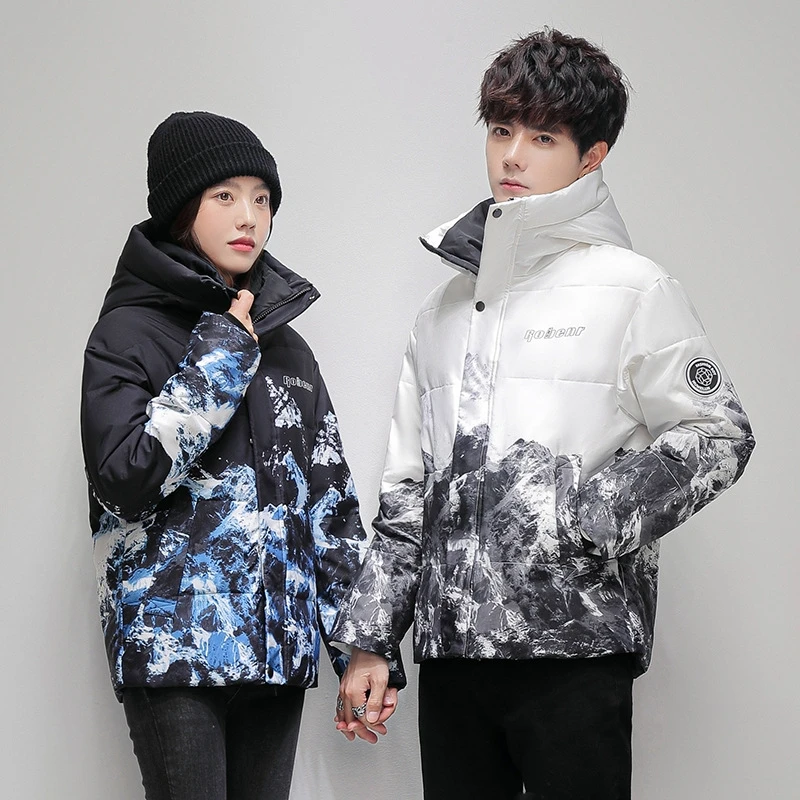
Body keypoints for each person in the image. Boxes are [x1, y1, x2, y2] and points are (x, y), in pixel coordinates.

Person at [330, 29, 755, 800]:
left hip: (576, 653)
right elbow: (406, 494)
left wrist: (586, 517)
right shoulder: (442, 311)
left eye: (543, 137)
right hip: (454, 656)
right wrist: (371, 639)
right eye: (501, 131)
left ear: (592, 156)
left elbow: (718, 432)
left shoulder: (634, 290)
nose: (513, 157)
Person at [81, 111, 366, 800]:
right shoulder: (128, 333)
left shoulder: (289, 349)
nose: (249, 217)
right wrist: (222, 358)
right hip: (176, 653)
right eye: (225, 196)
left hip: (276, 655)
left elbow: (330, 507)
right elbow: (124, 480)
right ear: (182, 209)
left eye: (262, 199)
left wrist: (360, 648)